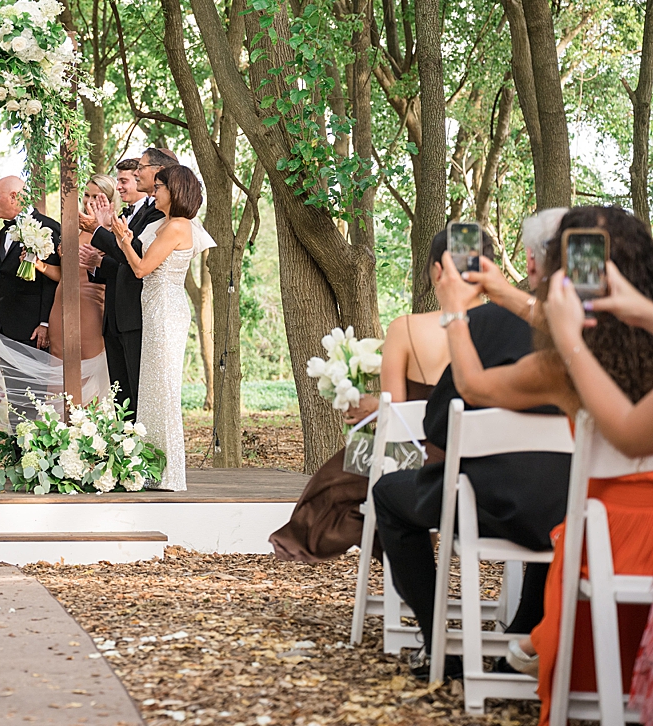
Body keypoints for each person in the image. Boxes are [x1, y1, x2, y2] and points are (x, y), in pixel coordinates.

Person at [372, 214, 574, 679]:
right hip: (573, 510)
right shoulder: (602, 340)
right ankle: (520, 639)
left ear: (530, 261)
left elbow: (441, 428)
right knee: (550, 500)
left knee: (388, 493)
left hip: (483, 504)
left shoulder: (479, 324)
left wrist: (458, 313)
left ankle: (437, 640)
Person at [523, 207, 653, 719]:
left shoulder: (552, 367)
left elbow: (626, 432)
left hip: (609, 538)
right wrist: (643, 310)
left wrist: (571, 340)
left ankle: (535, 642)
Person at [269, 228, 465, 563]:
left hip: (420, 464)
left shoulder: (407, 328)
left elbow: (397, 425)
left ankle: (375, 540)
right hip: (488, 469)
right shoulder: (510, 328)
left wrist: (375, 406)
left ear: (435, 271)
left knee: (341, 470)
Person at [103, 164, 213, 492]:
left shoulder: (178, 226)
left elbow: (140, 268)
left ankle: (168, 472)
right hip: (152, 308)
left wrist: (123, 239)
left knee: (162, 389)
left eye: (160, 187)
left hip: (165, 310)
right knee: (150, 387)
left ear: (175, 191)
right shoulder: (167, 224)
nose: (155, 192)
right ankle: (150, 466)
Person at [87, 149, 177, 413]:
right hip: (117, 314)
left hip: (138, 314)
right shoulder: (137, 212)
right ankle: (125, 449)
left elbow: (136, 259)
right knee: (122, 397)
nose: (133, 178)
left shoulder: (159, 214)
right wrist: (98, 261)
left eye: (136, 173)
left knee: (139, 395)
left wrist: (99, 231)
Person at [45, 172, 112, 402]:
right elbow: (64, 273)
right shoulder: (72, 228)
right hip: (61, 303)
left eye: (97, 196)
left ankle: (88, 429)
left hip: (90, 305)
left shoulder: (108, 230)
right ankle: (56, 427)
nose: (89, 201)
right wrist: (40, 266)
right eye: (86, 195)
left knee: (88, 364)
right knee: (59, 360)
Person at [0, 175, 61, 348]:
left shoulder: (47, 228)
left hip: (31, 328)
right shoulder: (2, 233)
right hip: (2, 326)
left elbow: (54, 280)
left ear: (14, 197)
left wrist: (45, 323)